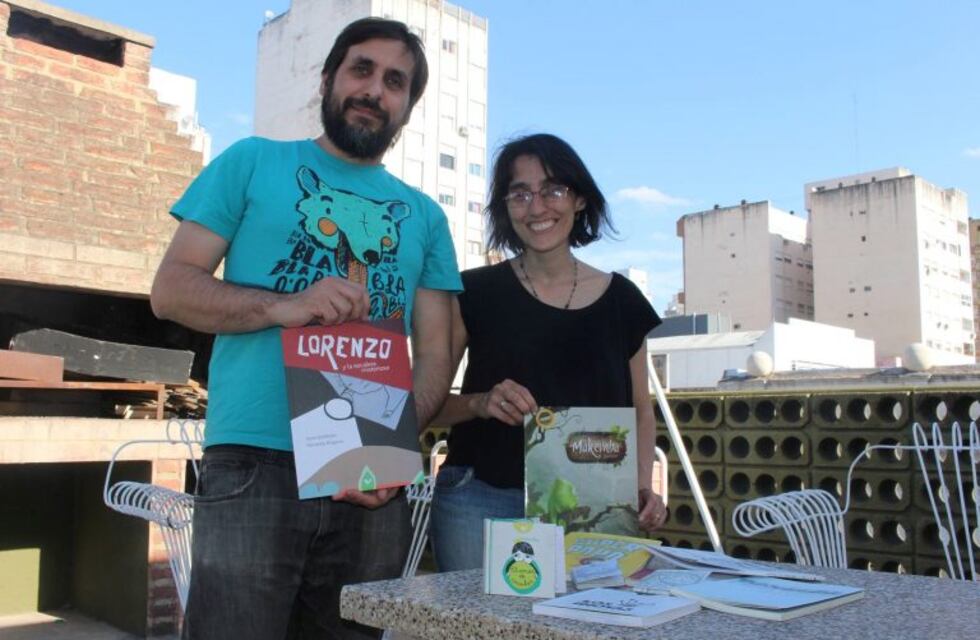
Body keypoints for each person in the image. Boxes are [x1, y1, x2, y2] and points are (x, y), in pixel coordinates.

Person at [150, 18, 461, 639]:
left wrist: (389, 453)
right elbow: (171, 290)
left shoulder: (425, 216)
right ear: (329, 79)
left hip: (369, 471)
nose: (375, 89)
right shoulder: (253, 161)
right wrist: (284, 306)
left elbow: (439, 348)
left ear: (408, 106)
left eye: (395, 81)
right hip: (254, 462)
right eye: (362, 69)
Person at [429, 133, 667, 572]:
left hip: (593, 504)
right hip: (480, 500)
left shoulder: (623, 301)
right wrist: (480, 403)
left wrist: (639, 488)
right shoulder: (473, 292)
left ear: (579, 199)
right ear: (506, 206)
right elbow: (426, 405)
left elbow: (640, 412)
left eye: (553, 190)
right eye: (520, 194)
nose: (537, 208)